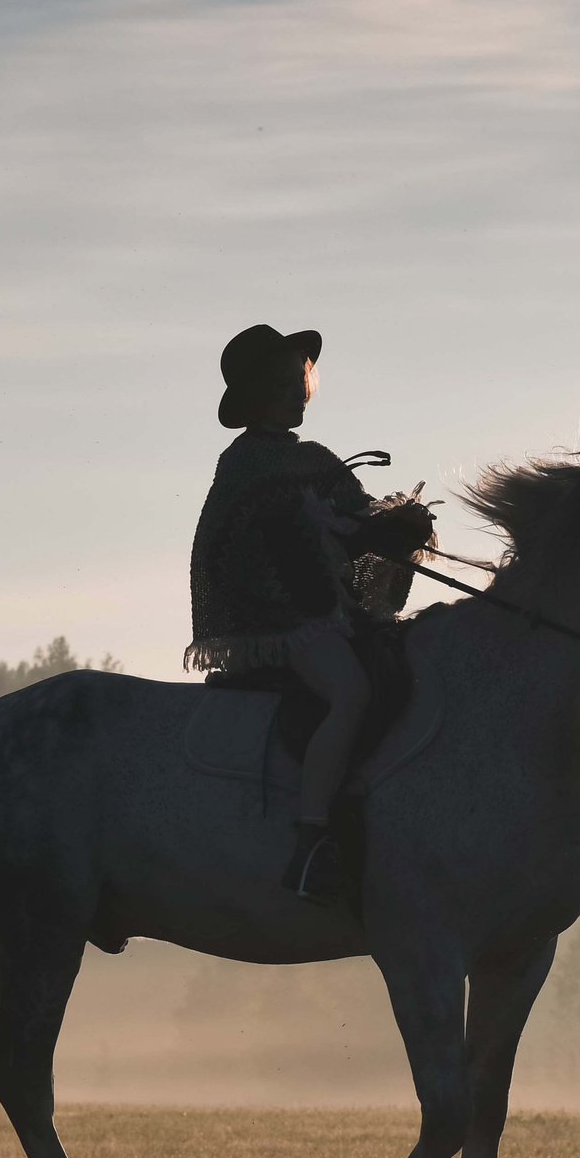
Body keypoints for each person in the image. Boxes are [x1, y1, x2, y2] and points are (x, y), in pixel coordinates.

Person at [188, 324, 431, 904]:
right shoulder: (243, 465)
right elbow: (229, 551)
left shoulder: (315, 461)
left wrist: (397, 524)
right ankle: (311, 839)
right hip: (276, 621)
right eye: (291, 381)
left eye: (302, 380)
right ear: (264, 391)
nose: (302, 391)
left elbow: (360, 519)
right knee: (349, 695)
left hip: (323, 612)